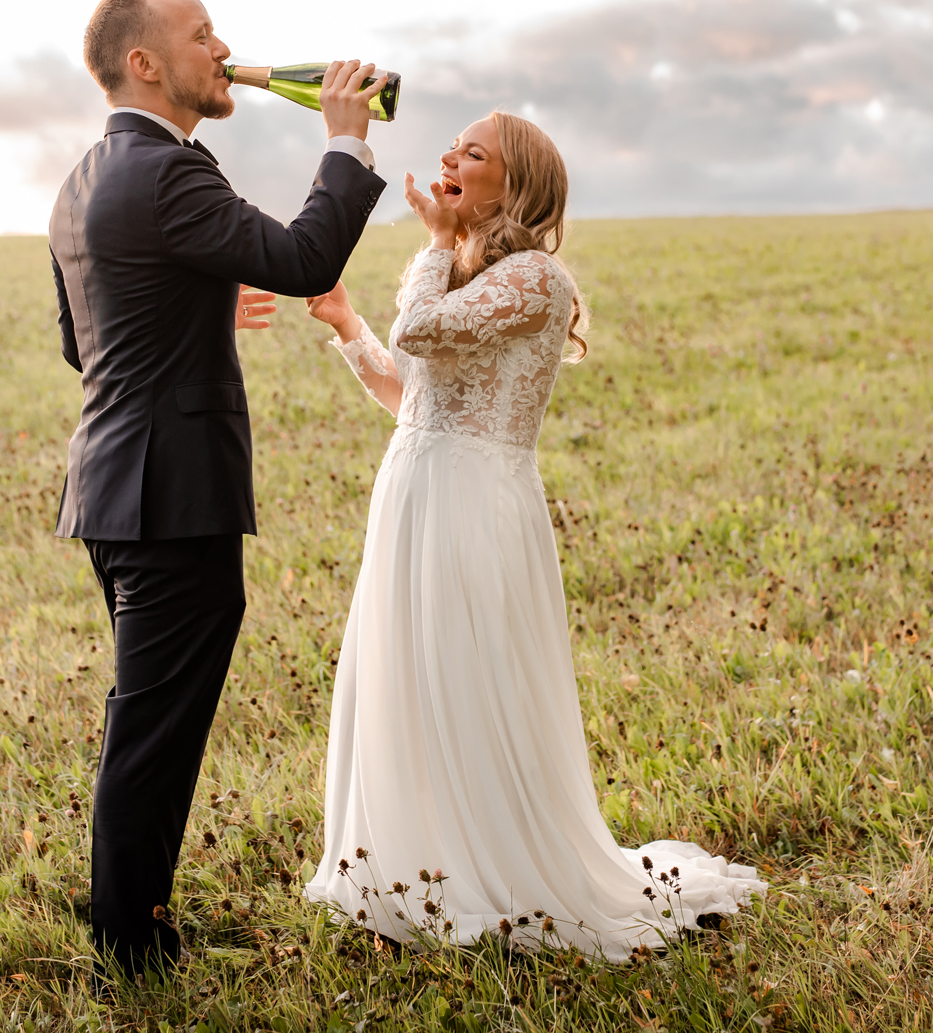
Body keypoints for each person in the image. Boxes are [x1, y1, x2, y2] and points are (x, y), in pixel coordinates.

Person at [301, 111, 765, 957]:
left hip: (476, 499)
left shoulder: (538, 282)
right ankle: (421, 863)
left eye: (471, 153)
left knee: (469, 677)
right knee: (413, 672)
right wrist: (344, 322)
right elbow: (411, 389)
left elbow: (420, 329)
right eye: (454, 145)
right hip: (413, 491)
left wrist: (433, 242)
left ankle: (502, 873)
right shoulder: (465, 270)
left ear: (515, 187)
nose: (448, 156)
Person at [50, 0, 388, 978]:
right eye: (201, 37)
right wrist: (346, 141)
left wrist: (193, 305)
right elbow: (306, 254)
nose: (222, 48)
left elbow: (84, 339)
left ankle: (129, 913)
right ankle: (131, 940)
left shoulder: (85, 176)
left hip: (113, 491)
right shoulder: (168, 171)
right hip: (168, 497)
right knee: (152, 725)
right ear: (145, 64)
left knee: (146, 715)